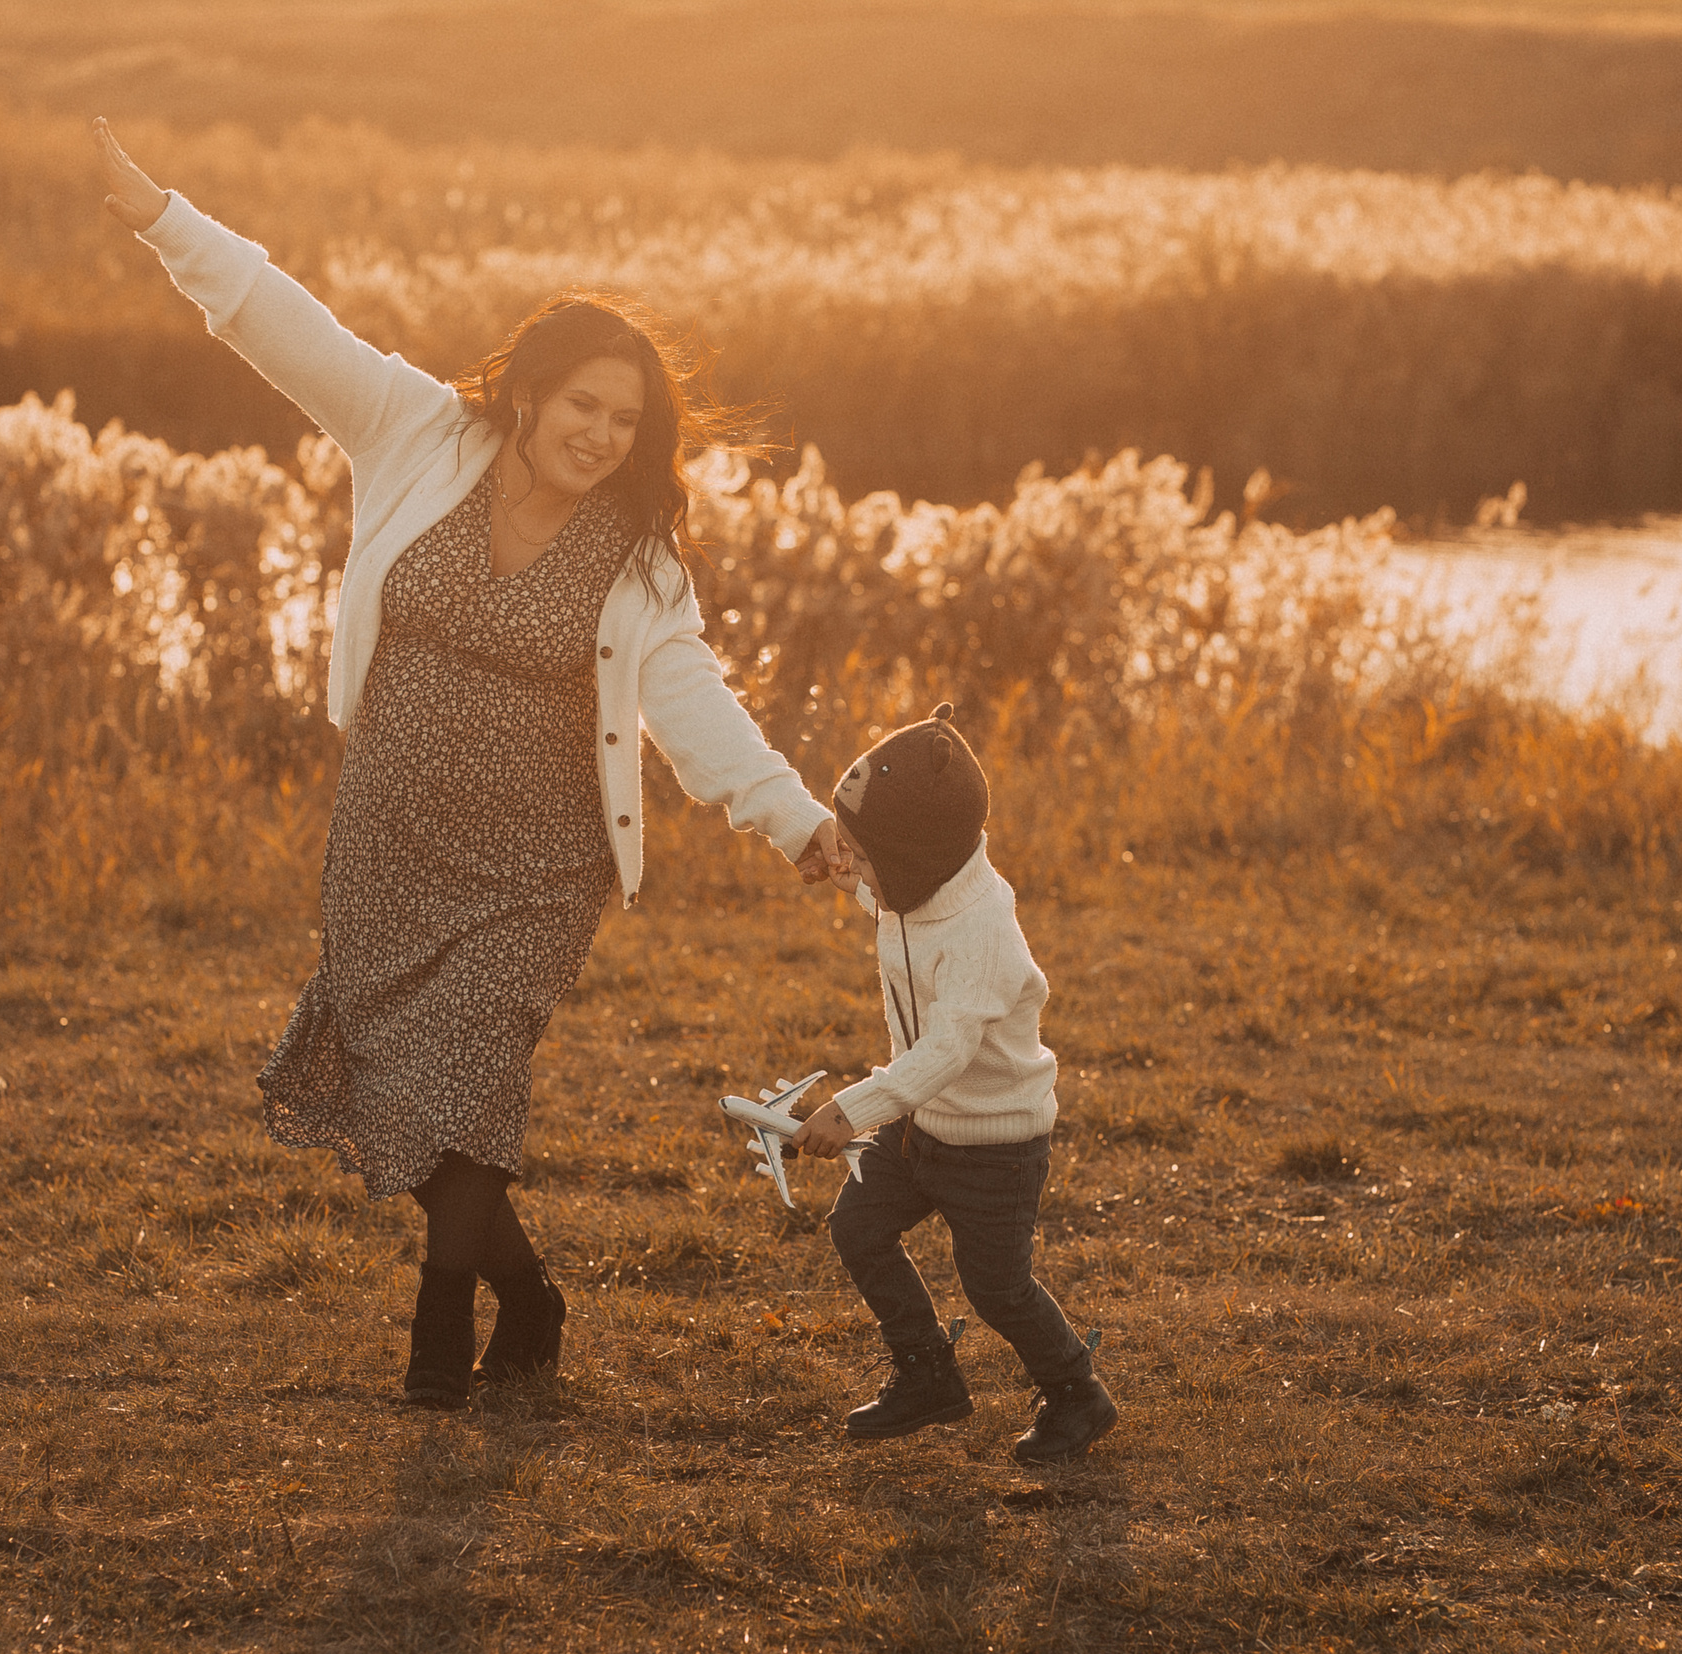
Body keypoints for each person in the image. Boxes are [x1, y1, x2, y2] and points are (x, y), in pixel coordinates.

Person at [91, 120, 848, 1409]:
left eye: (627, 419)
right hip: (390, 834)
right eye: (584, 405)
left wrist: (797, 820)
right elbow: (279, 319)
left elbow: (693, 705)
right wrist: (158, 212)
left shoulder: (638, 563)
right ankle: (535, 1297)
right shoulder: (414, 434)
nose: (603, 435)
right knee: (405, 1090)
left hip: (538, 866)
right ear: (530, 392)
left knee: (474, 1085)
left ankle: (439, 1344)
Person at [791, 704, 1117, 1465]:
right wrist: (840, 870)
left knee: (998, 1287)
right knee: (857, 1227)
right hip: (918, 1127)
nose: (857, 871)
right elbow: (886, 898)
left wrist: (851, 1108)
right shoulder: (916, 885)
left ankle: (1077, 1390)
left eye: (865, 858)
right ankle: (926, 1371)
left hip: (994, 1143)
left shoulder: (981, 929)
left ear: (914, 858)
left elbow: (944, 1052)